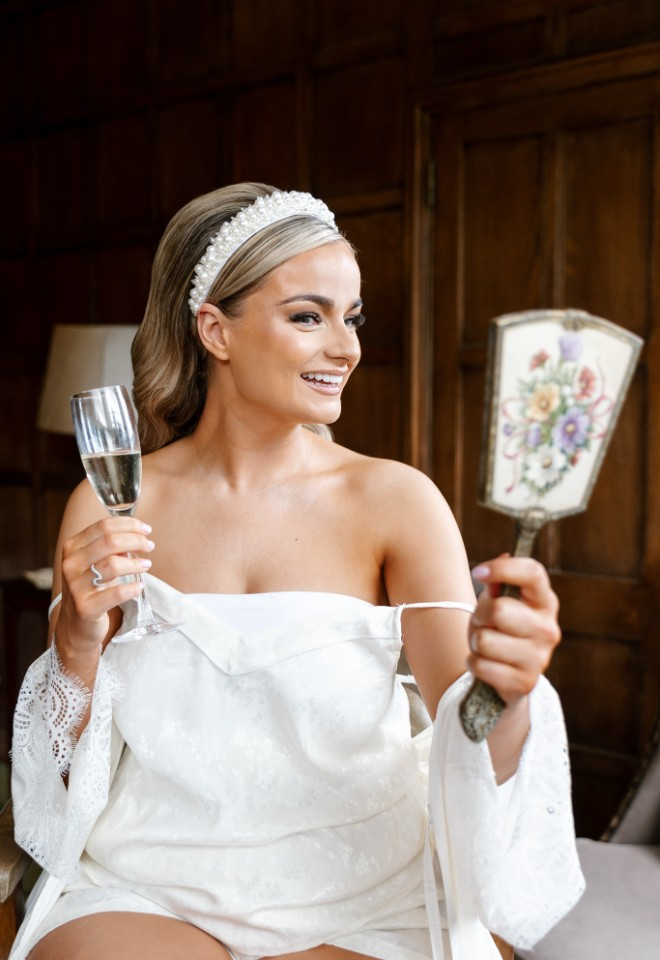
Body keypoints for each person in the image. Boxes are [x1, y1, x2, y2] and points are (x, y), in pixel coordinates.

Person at [10, 183, 584, 960]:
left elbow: (471, 734)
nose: (345, 347)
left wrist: (510, 691)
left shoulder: (397, 503)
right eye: (308, 316)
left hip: (361, 890)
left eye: (351, 318)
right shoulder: (112, 501)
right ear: (215, 329)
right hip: (152, 878)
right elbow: (62, 777)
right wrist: (76, 643)